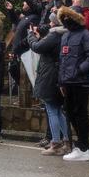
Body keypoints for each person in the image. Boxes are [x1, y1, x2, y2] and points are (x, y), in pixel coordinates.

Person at [57, 7, 89, 161]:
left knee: (79, 114)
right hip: (68, 82)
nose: (66, 21)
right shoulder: (65, 36)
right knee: (71, 113)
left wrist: (79, 70)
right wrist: (61, 81)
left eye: (69, 18)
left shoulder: (85, 35)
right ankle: (85, 147)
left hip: (80, 81)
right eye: (64, 18)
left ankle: (83, 147)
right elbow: (62, 61)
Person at [27, 16, 70, 156]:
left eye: (51, 21)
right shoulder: (65, 34)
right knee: (58, 111)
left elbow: (37, 47)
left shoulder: (55, 35)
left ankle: (56, 143)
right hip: (58, 74)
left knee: (52, 110)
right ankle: (67, 141)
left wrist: (31, 36)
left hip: (50, 75)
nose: (49, 24)